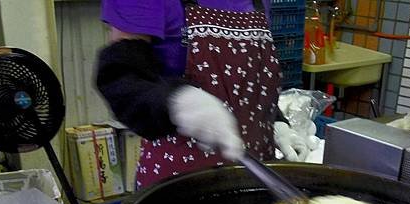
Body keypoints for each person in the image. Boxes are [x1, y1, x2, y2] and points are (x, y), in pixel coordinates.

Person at [96, 0, 282, 190]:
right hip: (179, 187)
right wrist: (176, 101)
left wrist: (276, 120)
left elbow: (246, 78)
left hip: (259, 184)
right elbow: (120, 78)